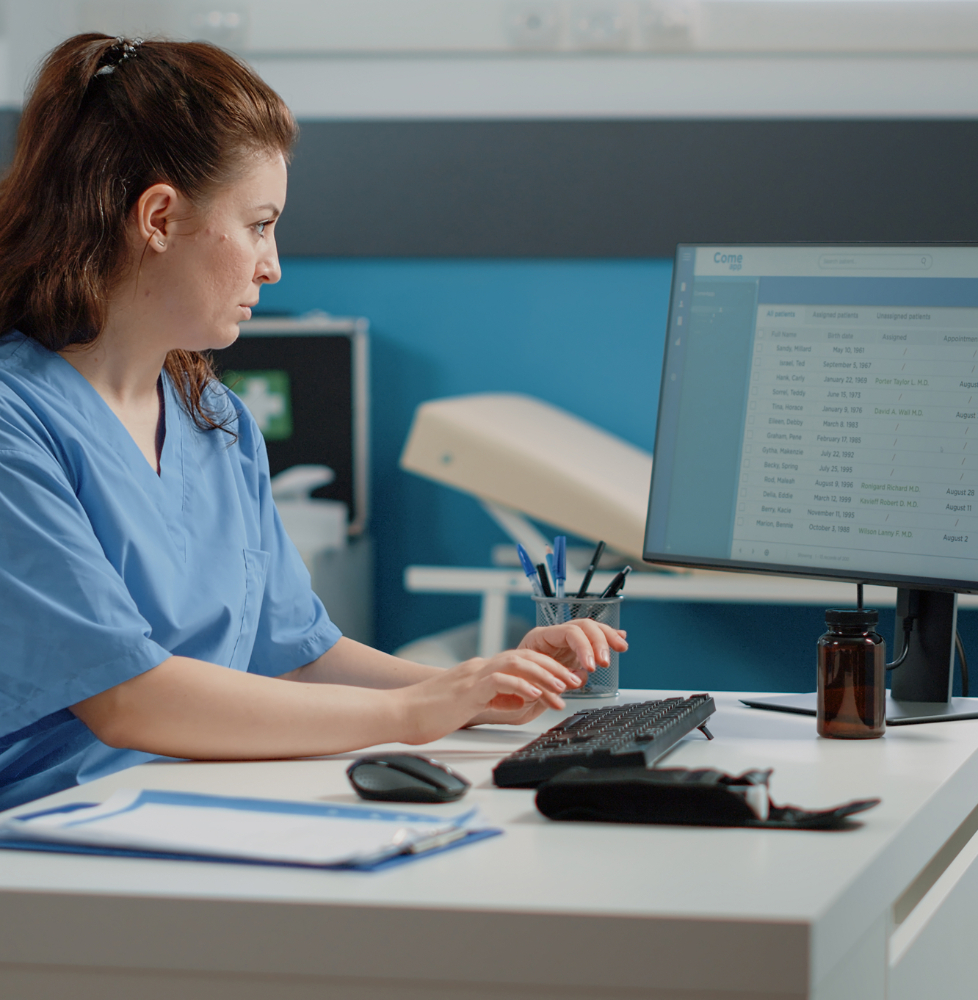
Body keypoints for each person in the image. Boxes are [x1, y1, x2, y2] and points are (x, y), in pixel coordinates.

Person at [0, 35, 627, 811]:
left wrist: (478, 685)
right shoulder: (16, 423)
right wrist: (412, 714)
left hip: (191, 812)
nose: (273, 265)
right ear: (159, 217)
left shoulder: (215, 422)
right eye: (259, 225)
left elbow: (296, 654)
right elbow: (128, 699)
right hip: (52, 837)